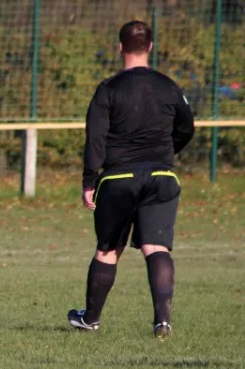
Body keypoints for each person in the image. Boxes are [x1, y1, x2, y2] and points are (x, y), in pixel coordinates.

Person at [67, 21, 195, 338]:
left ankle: (90, 320)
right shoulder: (169, 87)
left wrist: (88, 181)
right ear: (150, 47)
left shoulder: (108, 89)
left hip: (118, 178)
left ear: (120, 47)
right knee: (156, 248)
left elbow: (94, 138)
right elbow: (186, 128)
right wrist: (166, 153)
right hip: (162, 176)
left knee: (109, 250)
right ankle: (162, 322)